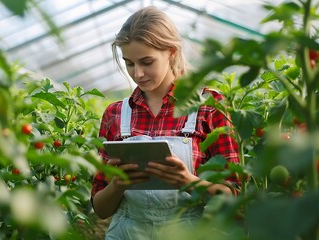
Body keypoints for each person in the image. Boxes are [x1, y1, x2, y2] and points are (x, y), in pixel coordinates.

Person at [90, 6, 239, 240]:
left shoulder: (209, 106)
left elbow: (234, 197)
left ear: (170, 52)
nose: (137, 73)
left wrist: (188, 182)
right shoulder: (116, 114)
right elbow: (100, 208)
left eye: (147, 62)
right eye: (129, 63)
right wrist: (117, 184)